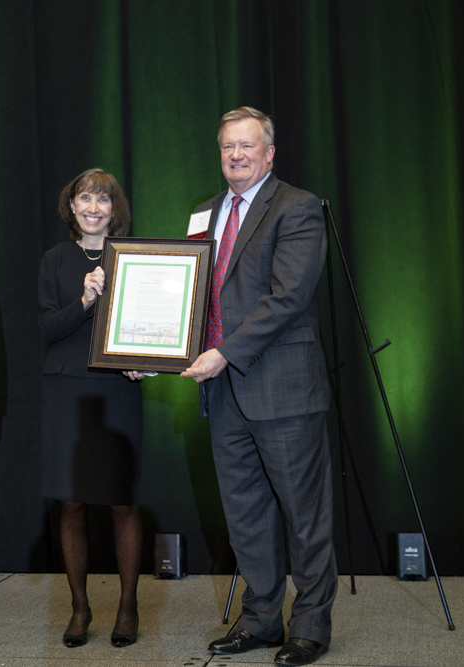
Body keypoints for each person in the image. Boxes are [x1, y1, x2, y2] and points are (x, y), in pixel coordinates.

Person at [180, 107, 337, 666]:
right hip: (223, 394)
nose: (237, 156)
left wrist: (223, 352)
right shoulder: (204, 211)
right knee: (245, 515)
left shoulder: (297, 207)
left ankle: (311, 624)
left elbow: (288, 298)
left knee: (304, 513)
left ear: (269, 154)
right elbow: (190, 294)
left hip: (282, 387)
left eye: (247, 146)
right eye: (228, 147)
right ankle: (262, 619)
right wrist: (154, 350)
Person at [39, 168, 146, 649]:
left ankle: (128, 605)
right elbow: (45, 330)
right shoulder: (55, 260)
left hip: (119, 390)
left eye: (103, 200)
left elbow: (149, 325)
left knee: (123, 501)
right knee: (72, 501)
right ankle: (80, 607)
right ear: (72, 205)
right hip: (68, 391)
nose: (94, 207)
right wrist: (84, 299)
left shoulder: (137, 259)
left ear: (114, 209)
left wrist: (145, 362)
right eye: (85, 198)